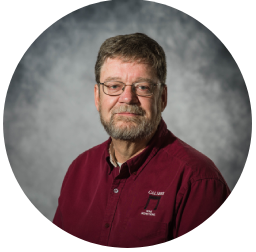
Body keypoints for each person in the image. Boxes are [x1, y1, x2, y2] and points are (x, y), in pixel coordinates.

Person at [52, 33, 231, 252]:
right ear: (98, 97)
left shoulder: (199, 181)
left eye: (143, 87)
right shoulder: (78, 170)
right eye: (114, 86)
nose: (127, 98)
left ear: (162, 98)